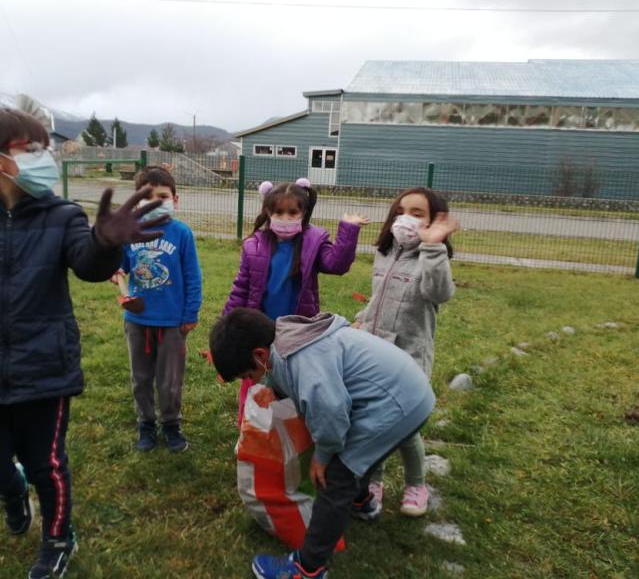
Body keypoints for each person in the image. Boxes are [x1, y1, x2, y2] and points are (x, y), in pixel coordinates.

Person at [0, 108, 166, 579]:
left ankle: (57, 537)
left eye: (45, 149)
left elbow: (88, 264)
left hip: (45, 370)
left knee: (47, 463)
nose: (44, 158)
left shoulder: (62, 215)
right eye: (32, 150)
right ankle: (13, 490)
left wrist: (106, 242)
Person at [209, 308, 435, 578]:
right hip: (405, 392)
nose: (252, 382)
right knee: (354, 456)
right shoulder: (287, 342)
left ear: (259, 355)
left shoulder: (304, 361)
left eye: (248, 376)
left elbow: (331, 416)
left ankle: (307, 567)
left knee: (336, 476)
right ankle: (362, 502)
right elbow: (298, 388)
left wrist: (323, 458)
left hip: (398, 404)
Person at [222, 177, 368, 422]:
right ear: (268, 211)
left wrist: (349, 229)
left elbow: (337, 264)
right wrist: (225, 328)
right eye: (279, 212)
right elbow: (241, 288)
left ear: (303, 212)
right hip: (261, 330)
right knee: (256, 380)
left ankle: (289, 431)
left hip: (299, 332)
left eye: (292, 212)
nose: (286, 218)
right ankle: (249, 426)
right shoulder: (253, 246)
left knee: (292, 383)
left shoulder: (313, 242)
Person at [354, 186, 459, 518]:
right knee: (372, 421)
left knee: (404, 426)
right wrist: (360, 321)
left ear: (432, 220)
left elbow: (439, 293)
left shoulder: (432, 256)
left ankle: (416, 483)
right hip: (373, 351)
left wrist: (433, 246)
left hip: (409, 356)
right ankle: (374, 480)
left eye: (418, 214)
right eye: (403, 211)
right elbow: (377, 298)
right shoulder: (384, 252)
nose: (408, 219)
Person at [118, 166, 202, 453]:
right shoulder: (130, 232)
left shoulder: (181, 234)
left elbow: (193, 277)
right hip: (137, 320)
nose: (155, 202)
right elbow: (121, 265)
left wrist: (190, 314)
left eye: (163, 196)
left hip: (172, 323)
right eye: (147, 196)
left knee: (170, 379)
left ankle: (170, 424)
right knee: (140, 377)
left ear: (175, 200)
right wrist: (114, 267)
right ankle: (146, 424)